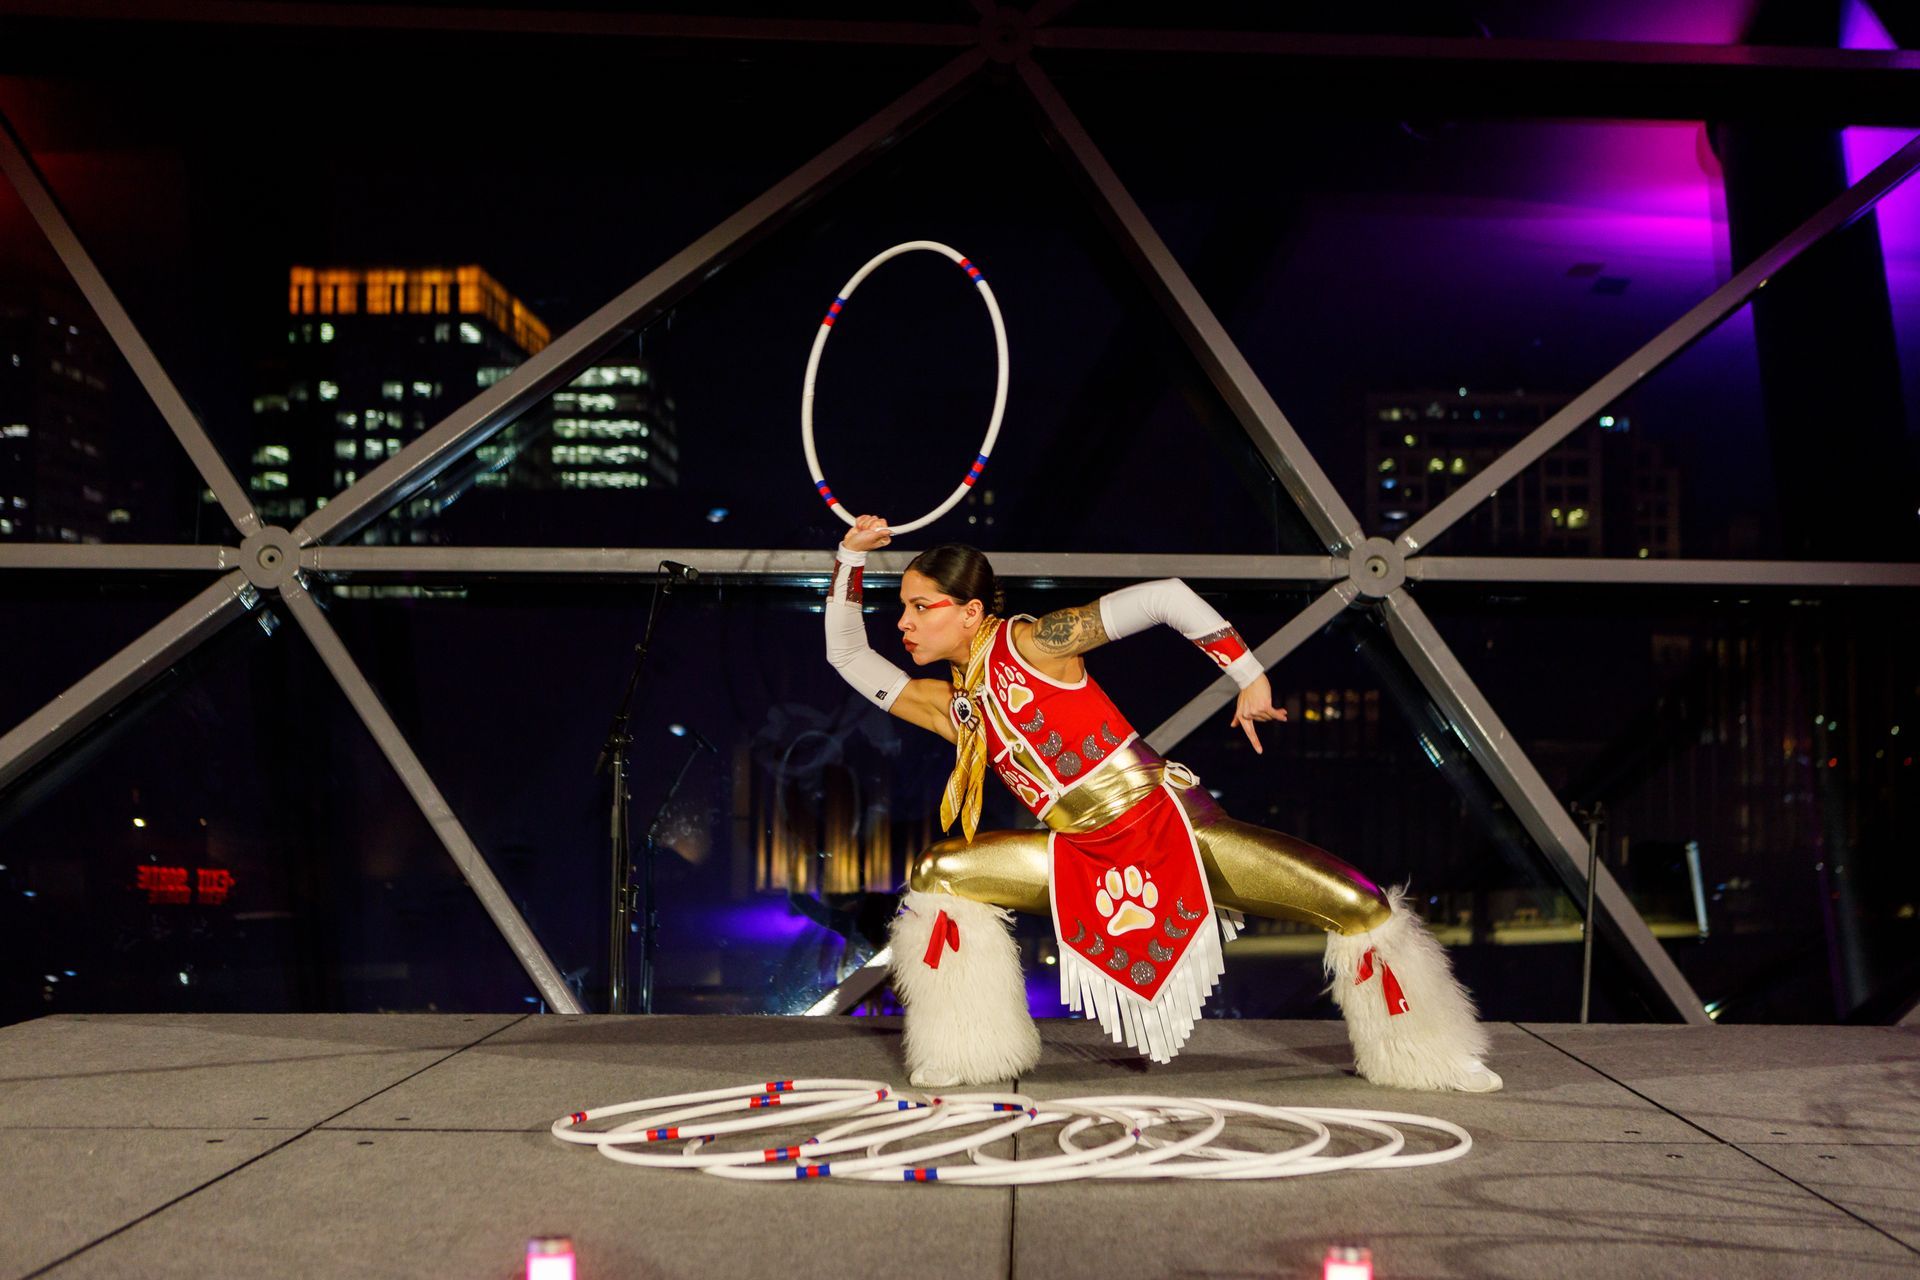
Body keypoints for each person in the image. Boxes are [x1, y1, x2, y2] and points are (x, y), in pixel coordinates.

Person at [824, 514, 1500, 1093]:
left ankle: (1431, 1059)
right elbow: (848, 656)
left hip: (1166, 827)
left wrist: (1249, 676)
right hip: (1080, 853)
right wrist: (851, 558)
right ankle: (967, 1052)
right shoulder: (954, 707)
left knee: (1358, 904)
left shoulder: (1034, 645)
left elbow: (1165, 598)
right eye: (904, 608)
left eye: (921, 606)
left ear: (970, 612)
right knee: (941, 872)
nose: (904, 622)